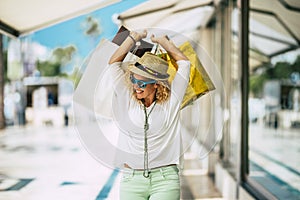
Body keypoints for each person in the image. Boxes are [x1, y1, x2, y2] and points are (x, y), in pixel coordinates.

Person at [108, 29, 190, 200]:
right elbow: (113, 64)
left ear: (157, 85)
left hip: (165, 180)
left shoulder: (170, 103)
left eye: (142, 83)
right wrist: (133, 39)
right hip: (132, 180)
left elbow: (185, 64)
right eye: (133, 80)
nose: (136, 86)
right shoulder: (127, 99)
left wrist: (165, 43)